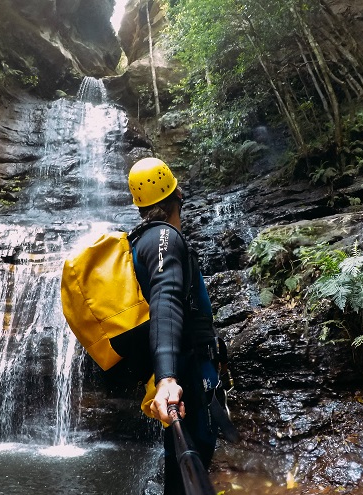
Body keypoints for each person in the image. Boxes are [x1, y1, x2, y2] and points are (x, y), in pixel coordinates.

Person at [124, 157, 220, 495]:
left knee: (187, 450)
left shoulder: (143, 240)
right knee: (196, 448)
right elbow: (165, 303)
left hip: (182, 364)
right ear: (177, 192)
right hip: (185, 368)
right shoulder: (164, 238)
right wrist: (168, 378)